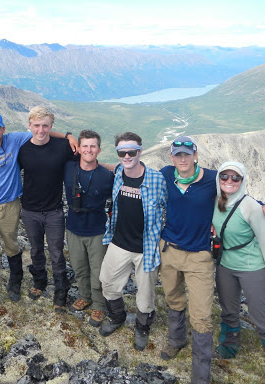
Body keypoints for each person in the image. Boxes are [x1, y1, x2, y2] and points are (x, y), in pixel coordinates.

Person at [159, 135, 265, 384]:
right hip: (169, 250)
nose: (183, 158)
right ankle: (176, 340)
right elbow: (134, 172)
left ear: (195, 156)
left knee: (201, 314)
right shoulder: (165, 174)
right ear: (172, 157)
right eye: (178, 154)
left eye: (187, 154)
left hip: (199, 255)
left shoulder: (211, 179)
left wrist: (263, 205)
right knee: (173, 298)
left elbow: (234, 192)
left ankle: (200, 375)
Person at [0, 112, 76, 318]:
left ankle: (15, 282)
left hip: (12, 205)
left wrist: (69, 135)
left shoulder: (15, 140)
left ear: (4, 129)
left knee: (13, 245)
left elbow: (42, 132)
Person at [212, 161, 265, 383]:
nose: (229, 181)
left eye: (236, 178)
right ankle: (229, 346)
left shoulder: (252, 206)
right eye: (224, 176)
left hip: (252, 268)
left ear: (243, 182)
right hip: (225, 265)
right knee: (228, 310)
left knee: (262, 319)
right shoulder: (215, 201)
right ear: (218, 179)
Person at [97, 132, 167, 352]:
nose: (127, 156)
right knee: (107, 283)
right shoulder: (118, 172)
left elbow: (171, 206)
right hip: (119, 242)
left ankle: (142, 326)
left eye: (132, 151)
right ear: (118, 153)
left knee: (145, 295)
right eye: (122, 152)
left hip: (146, 247)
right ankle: (118, 316)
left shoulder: (157, 179)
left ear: (140, 151)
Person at [18, 106, 77, 313]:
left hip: (54, 211)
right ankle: (39, 282)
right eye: (36, 125)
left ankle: (61, 291)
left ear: (51, 127)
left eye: (45, 126)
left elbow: (87, 159)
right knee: (35, 249)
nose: (41, 130)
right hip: (30, 210)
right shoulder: (23, 149)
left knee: (56, 253)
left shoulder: (62, 146)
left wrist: (70, 136)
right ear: (30, 126)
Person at [63, 130, 113, 327]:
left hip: (97, 230)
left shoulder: (107, 176)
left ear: (99, 150)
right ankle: (85, 296)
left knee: (98, 270)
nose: (89, 150)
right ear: (79, 148)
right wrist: (68, 135)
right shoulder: (68, 168)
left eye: (93, 146)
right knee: (79, 266)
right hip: (73, 228)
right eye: (85, 146)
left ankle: (99, 304)